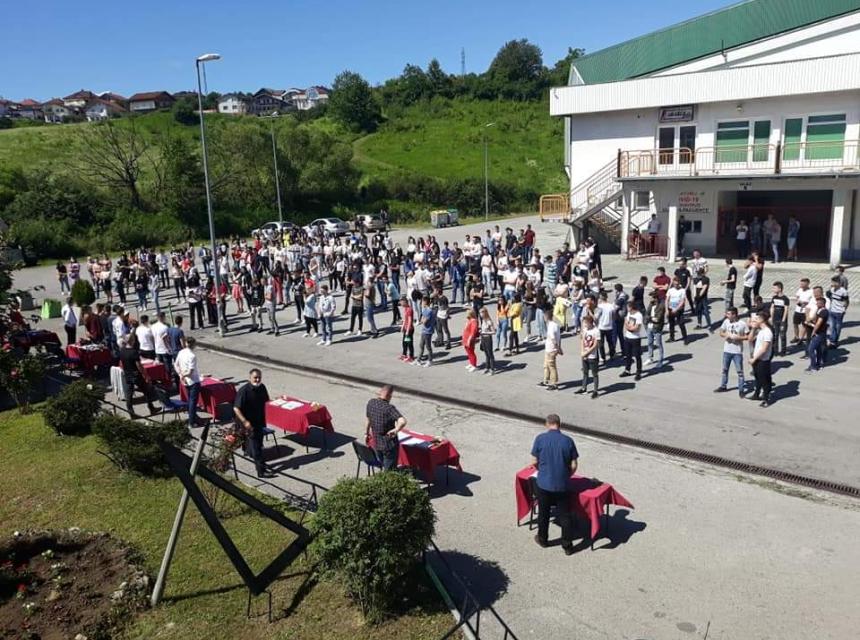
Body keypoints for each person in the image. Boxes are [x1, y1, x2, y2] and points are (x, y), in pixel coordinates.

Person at [530, 414, 579, 555]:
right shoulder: (568, 441)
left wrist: (541, 470)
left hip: (544, 484)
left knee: (544, 513)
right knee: (565, 515)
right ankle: (567, 546)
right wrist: (567, 475)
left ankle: (543, 539)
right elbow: (574, 465)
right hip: (562, 485)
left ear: (547, 424)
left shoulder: (540, 439)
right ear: (559, 424)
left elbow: (534, 461)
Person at [233, 368, 272, 478]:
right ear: (250, 378)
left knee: (259, 444)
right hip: (249, 424)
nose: (257, 379)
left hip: (259, 421)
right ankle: (261, 471)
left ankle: (261, 463)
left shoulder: (262, 387)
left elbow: (267, 401)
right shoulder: (244, 391)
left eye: (259, 377)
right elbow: (236, 408)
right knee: (256, 447)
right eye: (255, 377)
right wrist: (245, 422)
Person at [365, 384, 408, 471]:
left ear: (380, 392)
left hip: (377, 443)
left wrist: (366, 433)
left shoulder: (371, 403)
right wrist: (396, 430)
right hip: (389, 446)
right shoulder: (389, 408)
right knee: (389, 471)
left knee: (384, 465)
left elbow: (368, 420)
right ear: (390, 396)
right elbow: (403, 421)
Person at [119, 333, 158, 418]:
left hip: (127, 374)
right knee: (146, 391)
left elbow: (121, 363)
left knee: (129, 394)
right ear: (132, 341)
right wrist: (146, 375)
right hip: (136, 374)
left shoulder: (122, 351)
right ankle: (151, 408)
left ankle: (131, 412)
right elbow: (139, 366)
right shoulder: (133, 352)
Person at [715, 307, 747, 397]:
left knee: (740, 372)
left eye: (729, 314)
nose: (727, 315)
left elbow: (747, 336)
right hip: (727, 350)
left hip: (737, 352)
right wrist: (726, 335)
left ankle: (741, 390)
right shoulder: (726, 322)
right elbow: (721, 332)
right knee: (725, 370)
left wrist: (738, 337)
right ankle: (723, 386)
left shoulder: (742, 324)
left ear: (734, 315)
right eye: (727, 314)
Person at [748, 311, 774, 407]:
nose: (755, 320)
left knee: (764, 380)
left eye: (757, 319)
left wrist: (754, 359)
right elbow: (750, 339)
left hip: (763, 360)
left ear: (762, 320)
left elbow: (764, 349)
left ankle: (766, 399)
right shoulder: (760, 331)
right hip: (757, 358)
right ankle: (756, 394)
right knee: (757, 377)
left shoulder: (767, 332)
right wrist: (753, 329)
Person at [174, 336, 201, 428]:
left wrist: (180, 375)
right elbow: (190, 372)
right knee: (193, 402)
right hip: (193, 381)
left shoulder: (181, 352)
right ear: (194, 344)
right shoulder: (192, 356)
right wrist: (184, 375)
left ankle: (193, 416)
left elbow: (176, 365)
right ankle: (191, 422)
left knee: (190, 400)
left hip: (185, 381)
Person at [538, 308, 562, 391]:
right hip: (549, 349)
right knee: (546, 365)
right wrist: (559, 347)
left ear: (546, 317)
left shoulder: (551, 326)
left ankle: (554, 384)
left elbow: (553, 338)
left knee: (551, 366)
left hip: (551, 349)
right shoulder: (555, 325)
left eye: (544, 317)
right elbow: (559, 337)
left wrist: (557, 348)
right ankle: (546, 380)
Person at [805, 296, 829, 372]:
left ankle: (813, 366)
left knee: (811, 349)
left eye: (818, 303)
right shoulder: (819, 310)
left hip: (819, 333)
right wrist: (810, 322)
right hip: (820, 332)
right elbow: (816, 320)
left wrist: (813, 332)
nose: (817, 304)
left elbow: (819, 323)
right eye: (817, 302)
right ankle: (818, 364)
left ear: (823, 303)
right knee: (818, 349)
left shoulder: (824, 312)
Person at [620, 300, 643, 380]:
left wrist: (630, 328)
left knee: (637, 356)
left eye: (628, 307)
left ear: (631, 307)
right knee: (628, 355)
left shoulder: (638, 315)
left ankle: (638, 372)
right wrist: (629, 327)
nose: (627, 308)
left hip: (635, 338)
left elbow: (637, 328)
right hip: (628, 337)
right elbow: (626, 321)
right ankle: (627, 370)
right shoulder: (629, 313)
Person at [578, 314, 600, 397]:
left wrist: (586, 353)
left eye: (585, 323)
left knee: (595, 374)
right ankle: (584, 388)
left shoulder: (596, 331)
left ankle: (595, 391)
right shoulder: (585, 330)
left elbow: (595, 345)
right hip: (585, 354)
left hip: (592, 356)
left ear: (590, 323)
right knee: (585, 372)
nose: (584, 325)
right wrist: (582, 352)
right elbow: (582, 340)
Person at [826, 276, 849, 348]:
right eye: (832, 282)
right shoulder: (832, 289)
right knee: (832, 326)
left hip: (839, 311)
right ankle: (832, 341)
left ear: (839, 283)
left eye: (834, 282)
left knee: (837, 327)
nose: (832, 284)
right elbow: (828, 295)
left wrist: (844, 309)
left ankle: (834, 341)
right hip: (832, 309)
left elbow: (846, 301)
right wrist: (829, 289)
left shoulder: (843, 291)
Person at [645, 290, 665, 368]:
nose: (650, 299)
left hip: (657, 327)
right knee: (649, 343)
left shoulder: (661, 306)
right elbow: (646, 314)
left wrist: (649, 318)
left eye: (651, 297)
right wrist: (650, 318)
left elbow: (658, 319)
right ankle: (650, 358)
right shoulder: (651, 304)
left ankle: (661, 360)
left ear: (655, 298)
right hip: (649, 326)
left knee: (658, 344)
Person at [769, 282, 789, 357]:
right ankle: (775, 351)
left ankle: (783, 351)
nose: (773, 289)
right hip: (775, 319)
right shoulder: (774, 298)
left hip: (782, 320)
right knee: (775, 335)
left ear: (780, 289)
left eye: (774, 288)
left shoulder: (785, 299)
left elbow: (786, 310)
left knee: (782, 336)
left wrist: (783, 320)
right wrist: (771, 317)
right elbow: (772, 308)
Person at [792, 278, 813, 346]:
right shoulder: (800, 290)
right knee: (795, 324)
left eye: (803, 284)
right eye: (801, 283)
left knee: (804, 325)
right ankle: (796, 337)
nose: (801, 285)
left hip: (805, 311)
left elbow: (812, 301)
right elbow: (797, 296)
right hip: (797, 309)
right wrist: (798, 300)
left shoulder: (811, 291)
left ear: (807, 284)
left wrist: (805, 303)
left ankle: (801, 338)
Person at [665, 277, 687, 343]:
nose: (676, 285)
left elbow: (682, 301)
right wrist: (666, 309)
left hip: (679, 310)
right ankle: (672, 338)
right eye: (674, 284)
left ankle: (685, 337)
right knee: (671, 324)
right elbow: (667, 300)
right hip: (671, 309)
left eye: (677, 284)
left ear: (679, 283)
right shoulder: (670, 290)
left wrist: (676, 309)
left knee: (681, 324)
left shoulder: (682, 290)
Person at [416, 296, 435, 367]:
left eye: (422, 302)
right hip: (424, 331)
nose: (421, 303)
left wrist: (422, 320)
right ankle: (418, 360)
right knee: (421, 345)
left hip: (428, 331)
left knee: (428, 347)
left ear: (425, 302)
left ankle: (430, 361)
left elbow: (424, 321)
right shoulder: (425, 310)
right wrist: (422, 320)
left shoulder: (429, 311)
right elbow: (422, 320)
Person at [479, 306, 496, 374]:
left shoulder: (489, 321)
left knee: (490, 354)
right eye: (480, 312)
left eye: (481, 312)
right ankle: (487, 367)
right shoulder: (483, 320)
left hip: (488, 338)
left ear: (485, 313)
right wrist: (481, 331)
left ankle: (492, 369)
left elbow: (494, 332)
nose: (480, 314)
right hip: (483, 338)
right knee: (486, 353)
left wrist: (485, 332)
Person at [399, 296, 415, 363]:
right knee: (404, 343)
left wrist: (407, 330)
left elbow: (410, 321)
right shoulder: (405, 308)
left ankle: (411, 356)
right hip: (406, 329)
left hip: (409, 329)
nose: (401, 304)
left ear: (405, 302)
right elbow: (405, 319)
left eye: (401, 302)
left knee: (409, 343)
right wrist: (402, 327)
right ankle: (404, 354)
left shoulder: (409, 309)